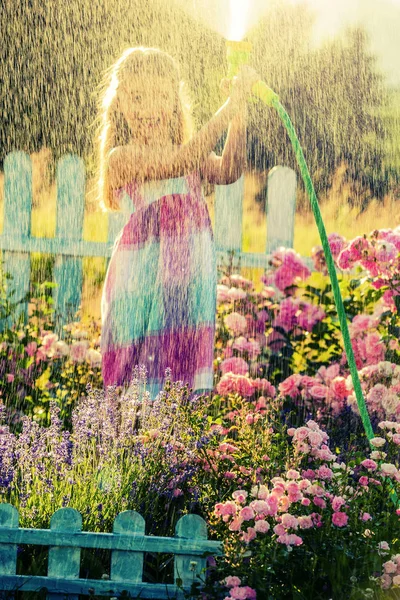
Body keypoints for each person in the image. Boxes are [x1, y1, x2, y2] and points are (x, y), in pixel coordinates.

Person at [97, 46, 259, 399]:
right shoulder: (122, 157)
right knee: (138, 386)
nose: (147, 108)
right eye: (137, 97)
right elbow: (179, 161)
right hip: (141, 289)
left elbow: (230, 170)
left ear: (174, 101)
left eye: (159, 96)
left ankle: (174, 452)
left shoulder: (192, 154)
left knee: (180, 380)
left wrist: (239, 114)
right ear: (120, 103)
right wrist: (227, 107)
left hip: (185, 289)